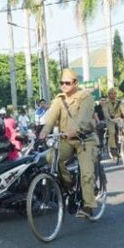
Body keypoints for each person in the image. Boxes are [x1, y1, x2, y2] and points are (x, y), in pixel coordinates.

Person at [39, 68, 98, 219]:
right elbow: (51, 117)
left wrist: (76, 129)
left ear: (75, 83)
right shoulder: (59, 100)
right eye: (61, 83)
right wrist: (45, 130)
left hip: (85, 140)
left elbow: (84, 117)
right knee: (51, 157)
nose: (64, 86)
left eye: (67, 83)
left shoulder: (86, 97)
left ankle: (89, 206)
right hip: (67, 139)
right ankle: (69, 184)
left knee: (86, 173)